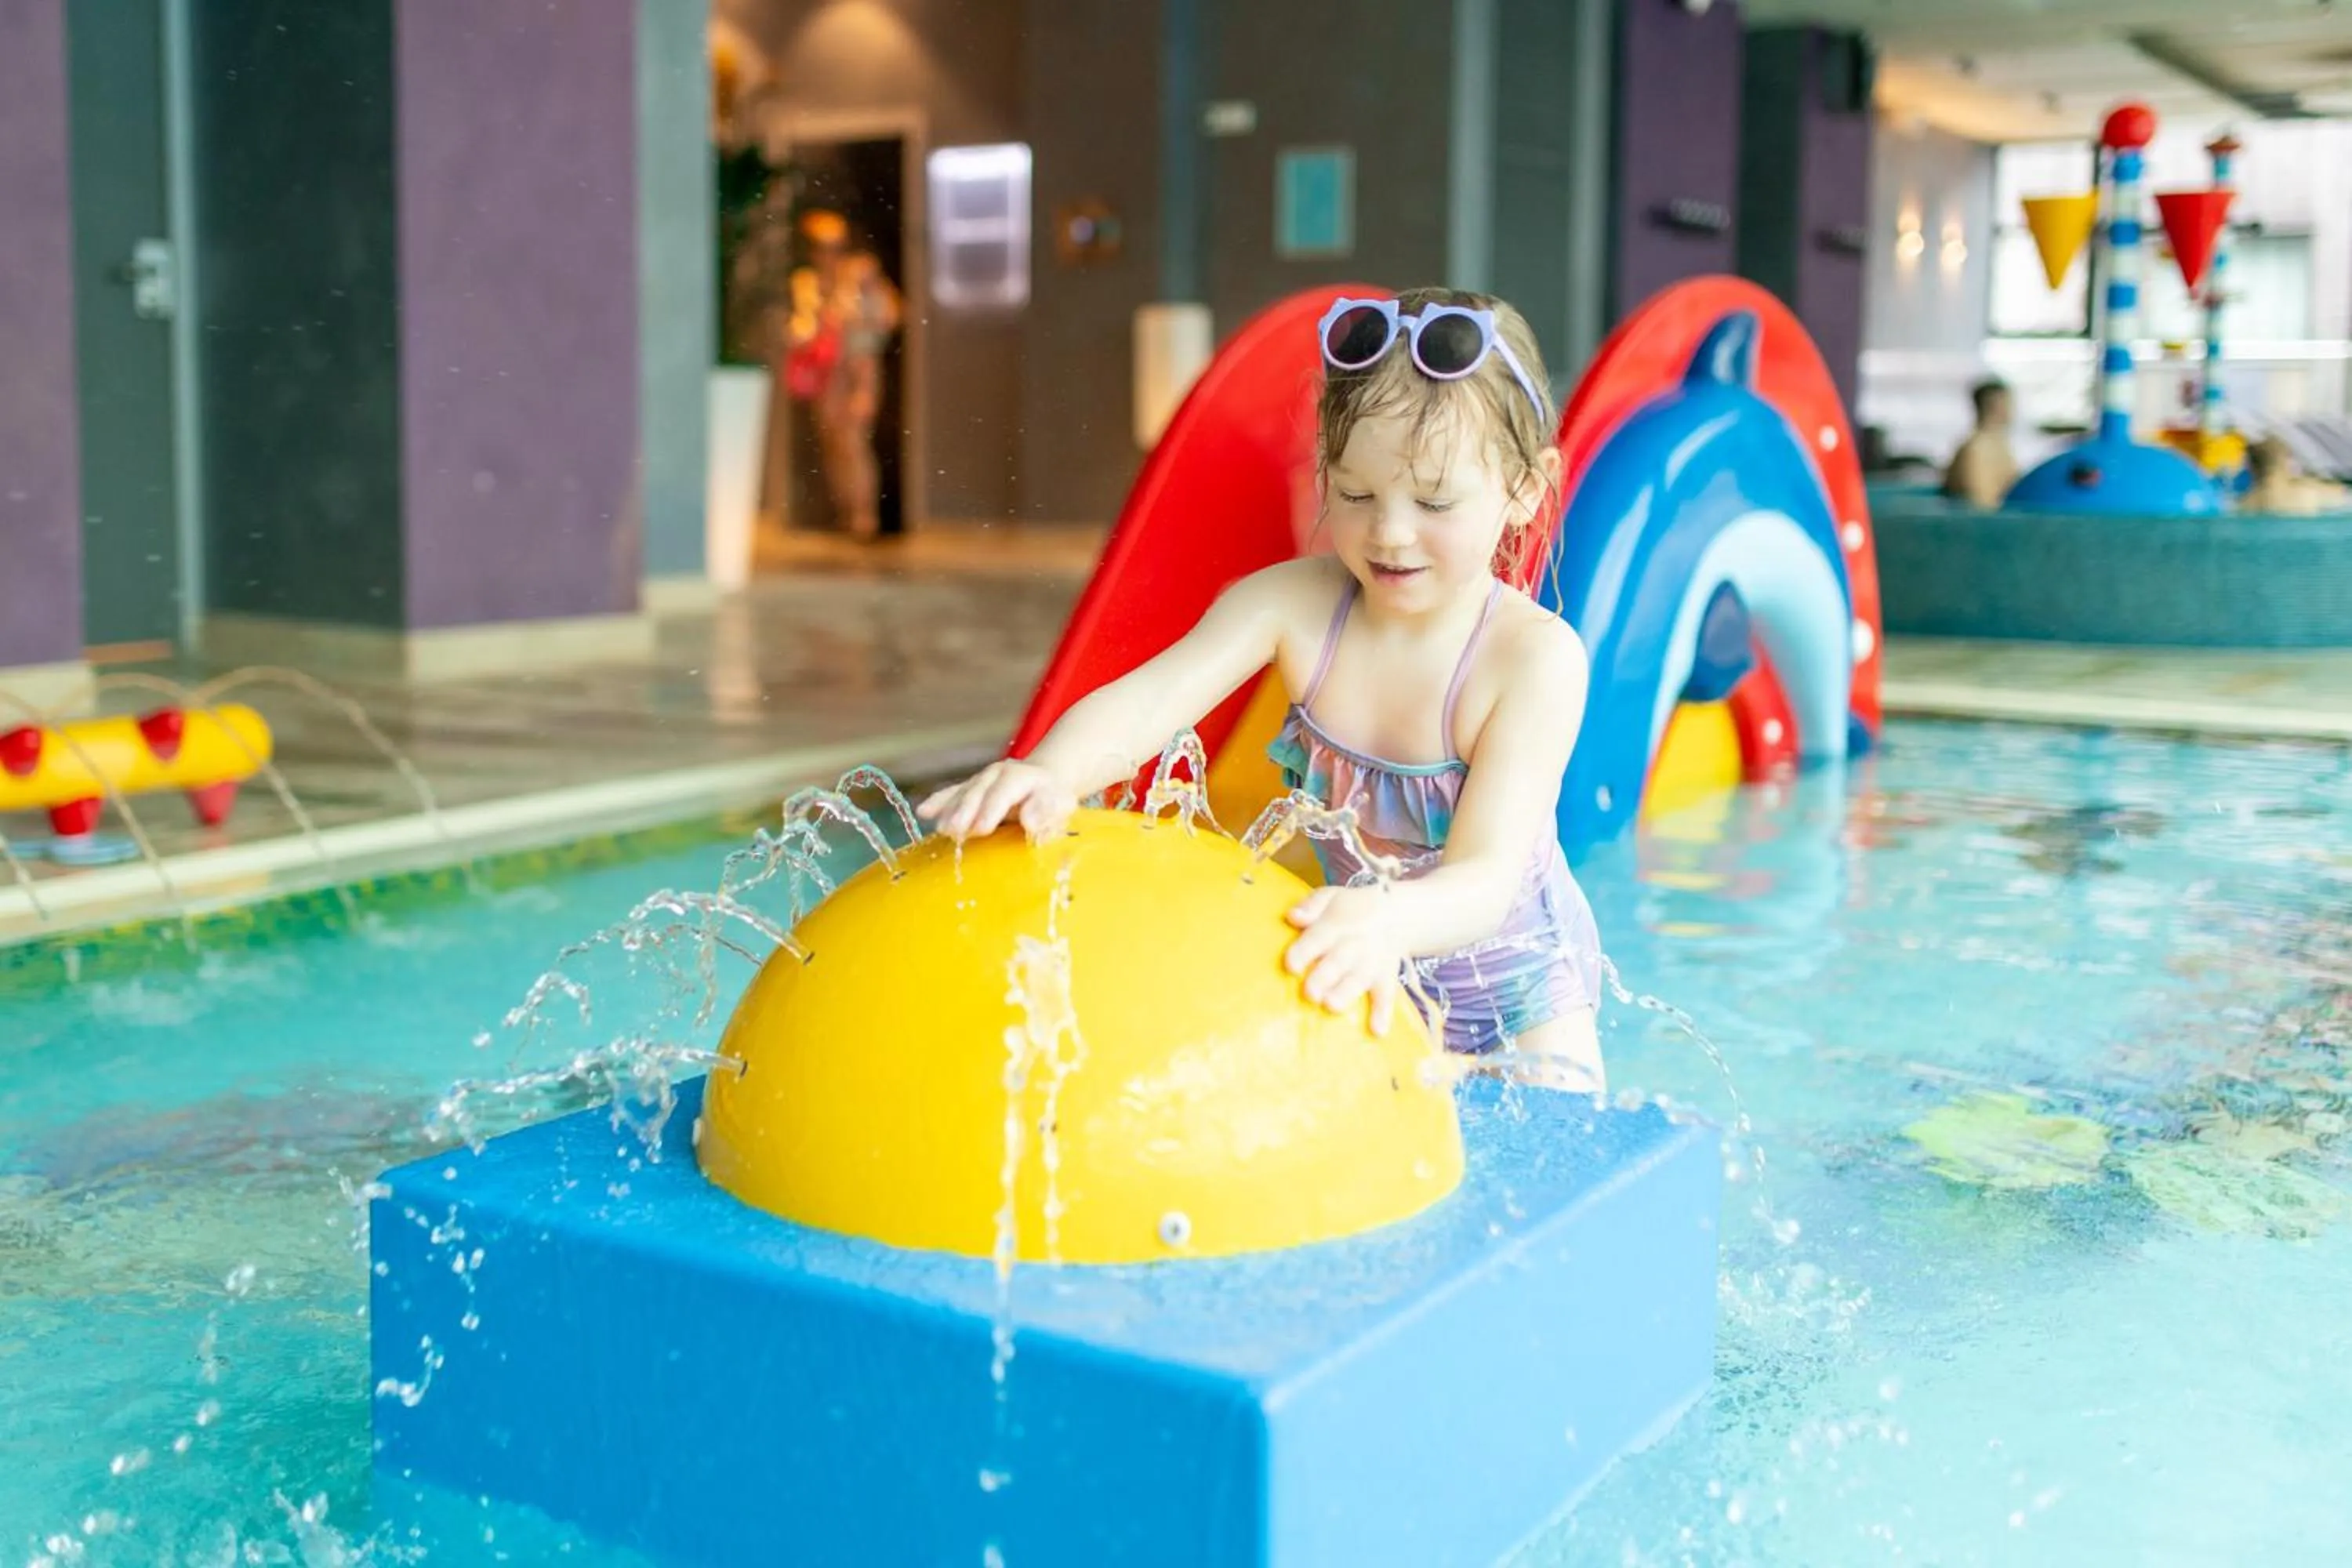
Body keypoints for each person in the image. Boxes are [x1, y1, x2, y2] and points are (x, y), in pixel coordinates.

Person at [917, 288, 1606, 1092]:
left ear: (1525, 487)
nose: (1389, 531)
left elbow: (1486, 878)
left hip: (1521, 994)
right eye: (1355, 493)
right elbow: (1150, 700)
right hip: (1364, 957)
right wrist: (1051, 771)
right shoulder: (1294, 606)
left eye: (1433, 501)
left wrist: (1386, 919)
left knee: (1555, 1130)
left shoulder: (1531, 660)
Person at [786, 209, 902, 540]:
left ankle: (864, 516)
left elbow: (889, 316)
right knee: (833, 441)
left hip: (858, 365)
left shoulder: (860, 275)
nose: (826, 254)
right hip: (827, 368)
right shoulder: (808, 283)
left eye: (833, 246)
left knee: (853, 441)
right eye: (820, 246)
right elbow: (804, 326)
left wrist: (858, 318)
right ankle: (847, 511)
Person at [1942, 376, 2018, 508]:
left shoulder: (2000, 446)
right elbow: (1980, 504)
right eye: (2009, 404)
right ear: (1996, 406)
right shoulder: (1976, 450)